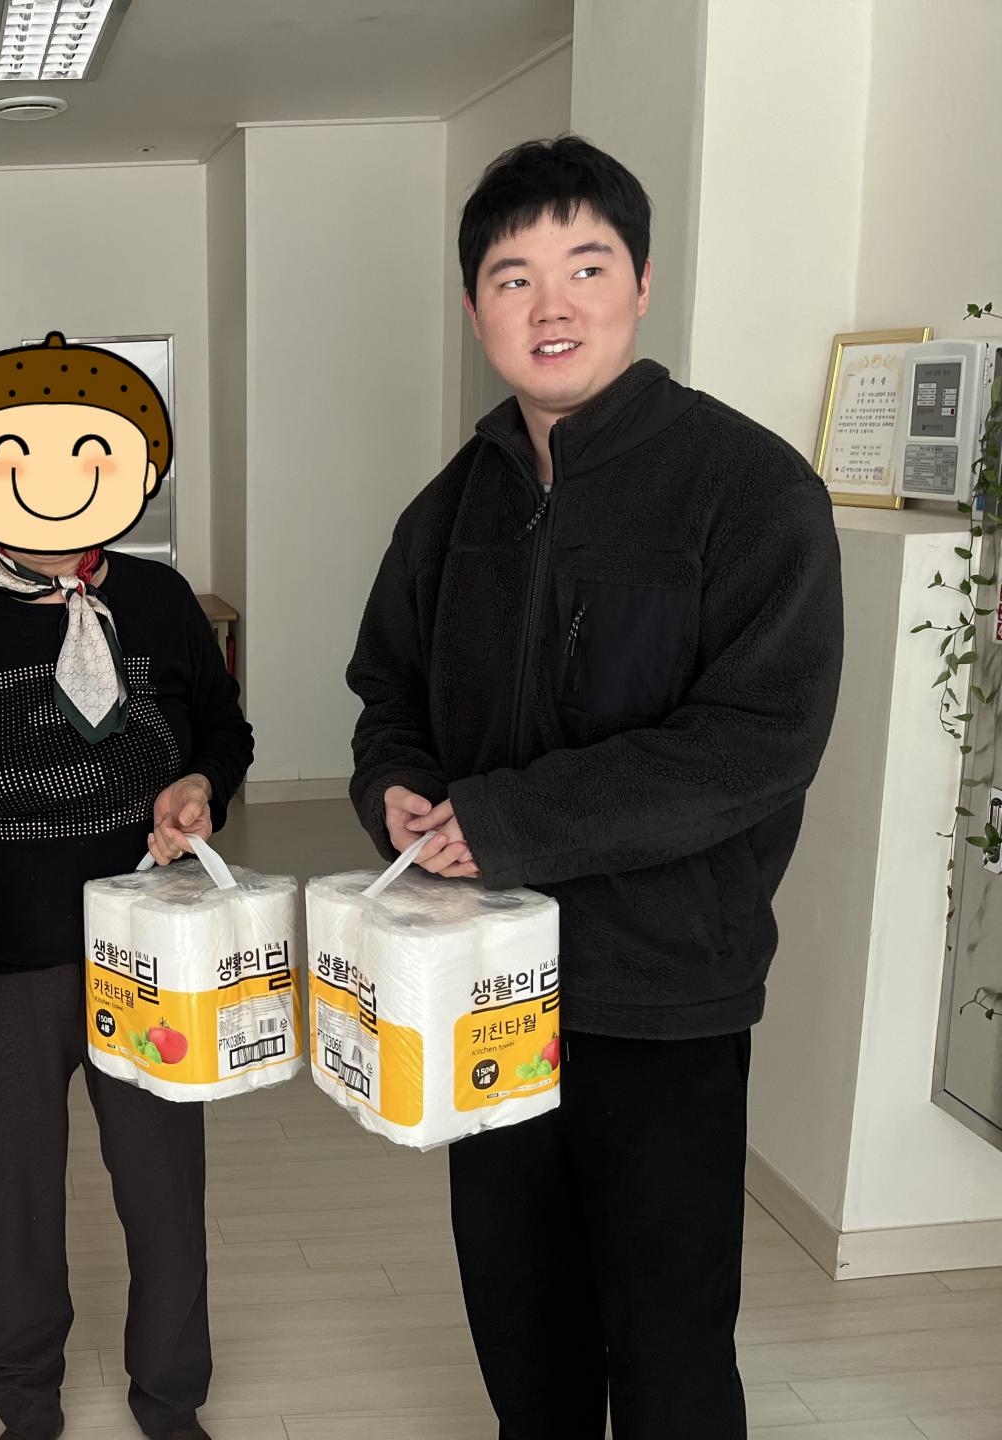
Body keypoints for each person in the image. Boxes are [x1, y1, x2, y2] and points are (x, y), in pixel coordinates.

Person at [345, 137, 844, 1438]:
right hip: (482, 982)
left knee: (671, 1344)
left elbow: (755, 740)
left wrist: (509, 821)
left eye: (586, 265)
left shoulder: (749, 491)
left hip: (663, 991)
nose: (550, 304)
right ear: (476, 310)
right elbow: (389, 693)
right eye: (513, 277)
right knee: (522, 1322)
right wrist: (397, 784)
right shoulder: (451, 508)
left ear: (641, 283)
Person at [0, 333, 253, 1440]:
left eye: (92, 453)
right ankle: (25, 1399)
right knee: (14, 1195)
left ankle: (171, 1398)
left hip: (150, 947)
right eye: (13, 456)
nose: (55, 479)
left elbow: (224, 732)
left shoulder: (163, 600)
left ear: (136, 469)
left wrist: (198, 786)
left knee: (165, 1192)